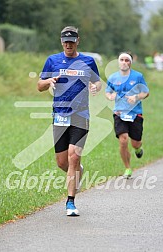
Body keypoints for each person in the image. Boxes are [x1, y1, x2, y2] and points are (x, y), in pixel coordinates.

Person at [37, 26, 101, 216]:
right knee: (62, 162)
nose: (68, 44)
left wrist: (95, 86)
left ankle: (70, 202)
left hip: (81, 116)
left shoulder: (88, 61)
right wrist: (49, 82)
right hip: (60, 115)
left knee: (73, 156)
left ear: (77, 41)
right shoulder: (52, 61)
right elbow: (39, 85)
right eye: (66, 41)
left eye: (72, 41)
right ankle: (78, 170)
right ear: (61, 41)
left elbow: (97, 81)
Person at [105, 52, 149, 179]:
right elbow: (108, 92)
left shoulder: (138, 76)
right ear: (118, 62)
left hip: (135, 114)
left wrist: (136, 97)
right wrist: (110, 96)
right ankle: (128, 168)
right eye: (122, 60)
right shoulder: (113, 77)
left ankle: (138, 149)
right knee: (123, 140)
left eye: (127, 60)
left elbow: (146, 93)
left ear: (130, 63)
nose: (124, 62)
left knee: (135, 143)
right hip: (119, 113)